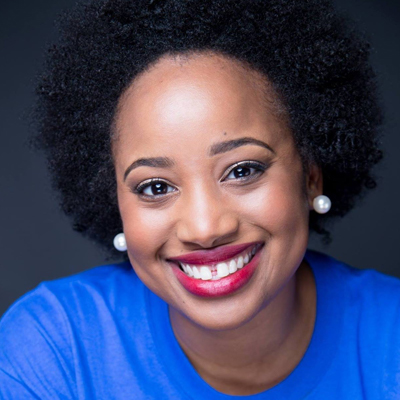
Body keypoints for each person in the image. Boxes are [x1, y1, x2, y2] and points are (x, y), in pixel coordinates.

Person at [0, 0, 399, 398]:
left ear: (311, 178)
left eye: (242, 170)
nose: (205, 229)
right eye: (156, 187)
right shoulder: (53, 349)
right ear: (115, 202)